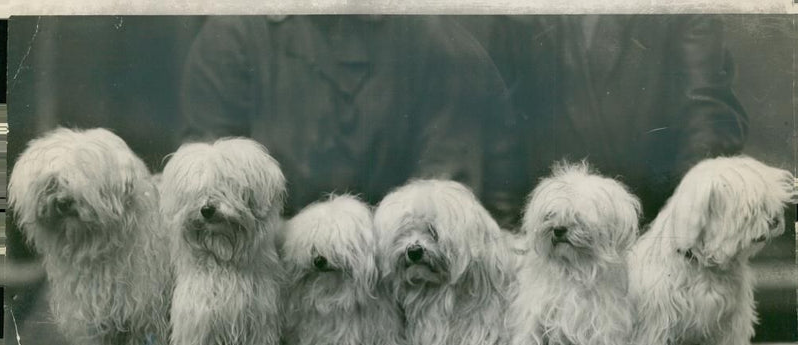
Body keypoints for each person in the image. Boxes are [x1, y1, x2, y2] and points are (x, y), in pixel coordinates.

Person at [180, 15, 513, 219]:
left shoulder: (433, 38)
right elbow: (210, 192)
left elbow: (446, 189)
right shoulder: (233, 36)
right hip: (272, 269)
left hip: (395, 273)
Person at [484, 15, 749, 224]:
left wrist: (686, 217)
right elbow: (502, 130)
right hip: (552, 231)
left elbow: (707, 113)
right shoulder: (518, 15)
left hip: (652, 227)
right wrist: (510, 230)